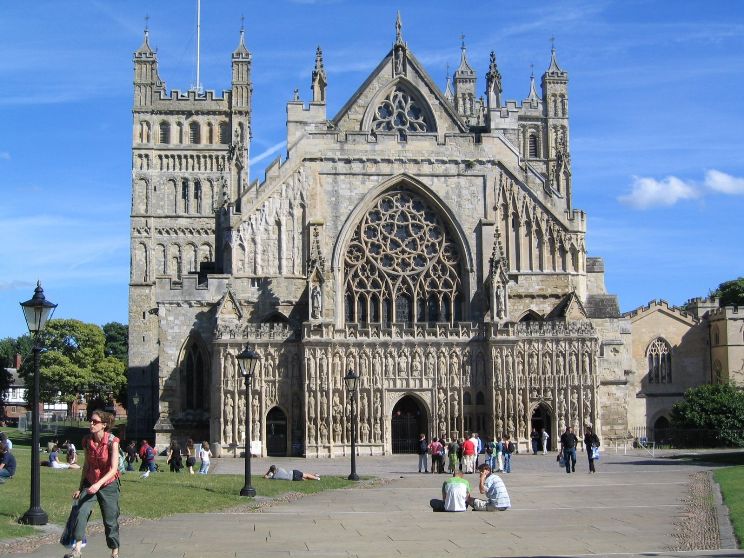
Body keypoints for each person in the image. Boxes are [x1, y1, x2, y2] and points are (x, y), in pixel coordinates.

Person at [66, 410, 121, 558]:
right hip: (90, 481)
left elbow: (113, 469)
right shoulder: (86, 441)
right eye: (90, 420)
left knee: (110, 520)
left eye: (95, 422)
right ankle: (77, 549)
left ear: (104, 425)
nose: (91, 423)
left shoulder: (112, 441)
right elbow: (86, 465)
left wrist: (99, 484)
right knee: (81, 513)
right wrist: (80, 487)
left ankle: (114, 551)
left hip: (108, 484)